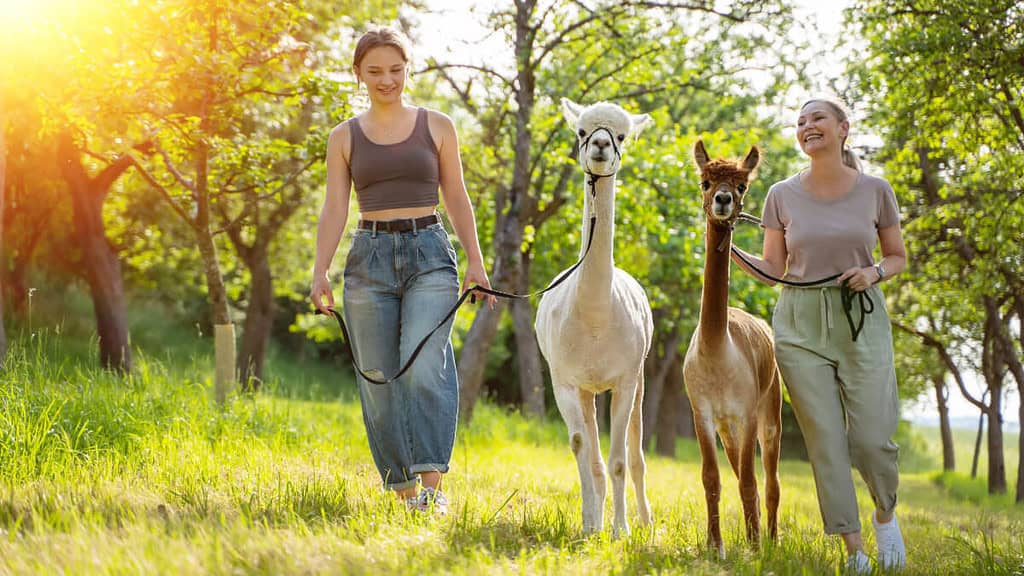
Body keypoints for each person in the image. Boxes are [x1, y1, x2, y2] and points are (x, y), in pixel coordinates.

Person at [309, 26, 495, 514]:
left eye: (395, 69)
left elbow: (456, 195)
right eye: (374, 71)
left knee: (423, 362)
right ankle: (402, 493)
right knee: (377, 376)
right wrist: (319, 271)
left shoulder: (437, 126)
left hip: (430, 253)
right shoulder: (343, 137)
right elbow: (334, 207)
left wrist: (476, 261)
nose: (386, 80)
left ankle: (432, 489)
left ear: (408, 69)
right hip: (367, 259)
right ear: (358, 74)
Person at [731, 97, 908, 572]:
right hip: (800, 324)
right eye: (801, 121)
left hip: (860, 317)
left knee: (871, 438)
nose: (807, 126)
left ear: (842, 129)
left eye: (818, 119)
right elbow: (773, 270)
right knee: (825, 440)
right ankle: (855, 552)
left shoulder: (876, 190)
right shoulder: (781, 195)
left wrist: (874, 272)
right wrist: (724, 243)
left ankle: (886, 517)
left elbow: (896, 255)